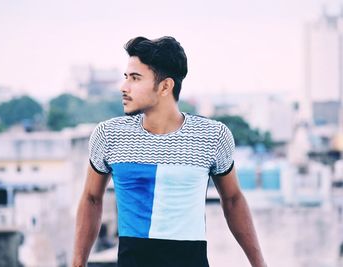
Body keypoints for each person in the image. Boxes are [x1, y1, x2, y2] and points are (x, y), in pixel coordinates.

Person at [72, 36, 267, 267]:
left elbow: (233, 200)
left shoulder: (212, 136)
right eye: (126, 78)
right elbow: (91, 199)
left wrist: (259, 264)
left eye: (135, 78)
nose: (124, 87)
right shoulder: (109, 135)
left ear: (165, 86)